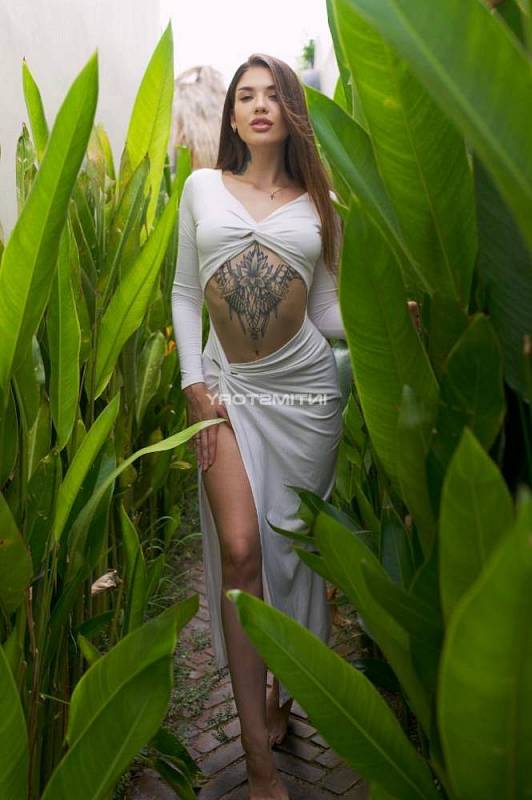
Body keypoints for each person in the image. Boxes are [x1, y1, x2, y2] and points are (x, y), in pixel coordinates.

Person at [172, 53, 346, 800]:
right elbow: (184, 293)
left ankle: (280, 690)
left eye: (273, 93)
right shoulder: (202, 188)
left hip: (305, 399)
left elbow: (327, 310)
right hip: (227, 394)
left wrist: (384, 321)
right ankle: (258, 762)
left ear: (291, 111)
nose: (258, 104)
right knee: (243, 553)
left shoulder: (320, 204)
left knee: (289, 557)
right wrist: (193, 383)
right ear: (233, 117)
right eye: (245, 96)